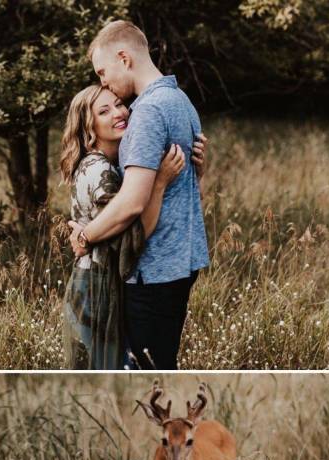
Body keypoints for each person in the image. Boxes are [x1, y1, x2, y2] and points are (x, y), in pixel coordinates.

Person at [69, 20, 209, 370]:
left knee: (145, 367)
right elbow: (191, 184)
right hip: (183, 259)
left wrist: (85, 235)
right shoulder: (180, 99)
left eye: (103, 71)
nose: (103, 81)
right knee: (159, 361)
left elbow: (132, 202)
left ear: (124, 58)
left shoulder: (146, 112)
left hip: (153, 267)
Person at [59, 83, 195, 368]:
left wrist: (196, 173)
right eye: (104, 111)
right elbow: (130, 239)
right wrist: (159, 184)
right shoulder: (100, 172)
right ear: (89, 127)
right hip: (97, 287)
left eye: (119, 104)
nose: (118, 113)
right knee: (104, 366)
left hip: (100, 281)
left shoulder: (112, 164)